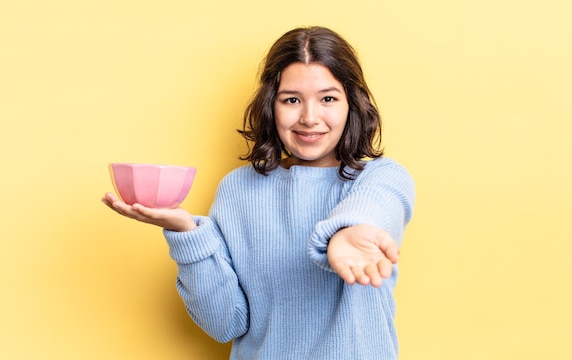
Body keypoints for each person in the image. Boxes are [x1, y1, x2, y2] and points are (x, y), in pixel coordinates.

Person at [102, 26, 415, 360]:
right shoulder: (238, 189)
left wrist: (348, 232)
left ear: (352, 104)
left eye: (328, 99)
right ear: (271, 105)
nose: (309, 118)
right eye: (292, 99)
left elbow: (374, 207)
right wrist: (187, 235)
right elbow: (225, 324)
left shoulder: (381, 177)